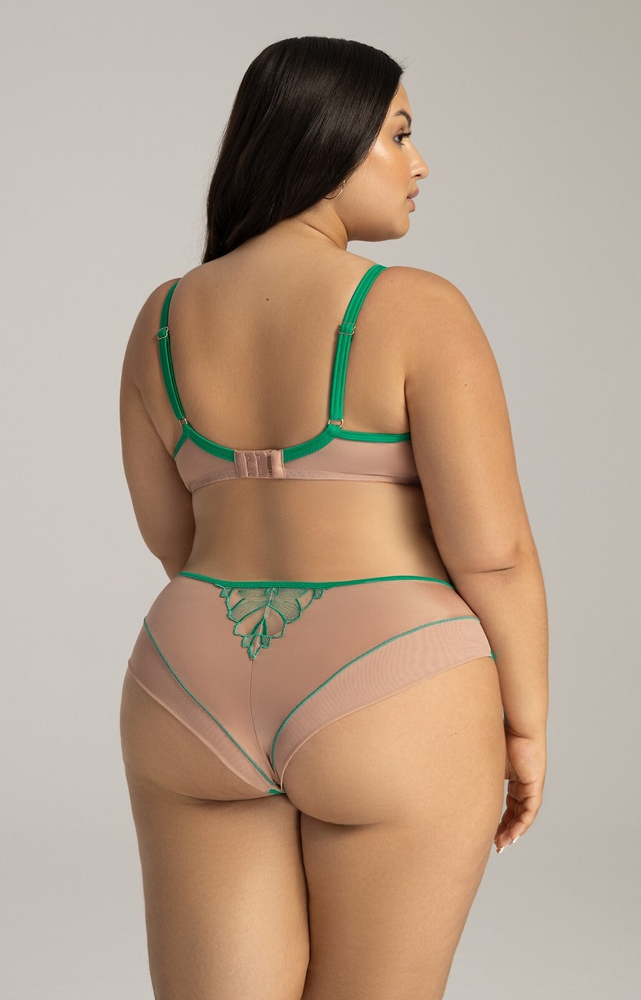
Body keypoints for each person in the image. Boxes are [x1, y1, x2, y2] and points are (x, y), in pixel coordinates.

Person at [118, 35, 548, 1000]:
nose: (419, 164)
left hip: (190, 678)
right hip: (391, 678)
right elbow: (493, 554)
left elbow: (173, 538)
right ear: (325, 139)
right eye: (397, 134)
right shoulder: (418, 310)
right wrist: (524, 725)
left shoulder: (162, 319)